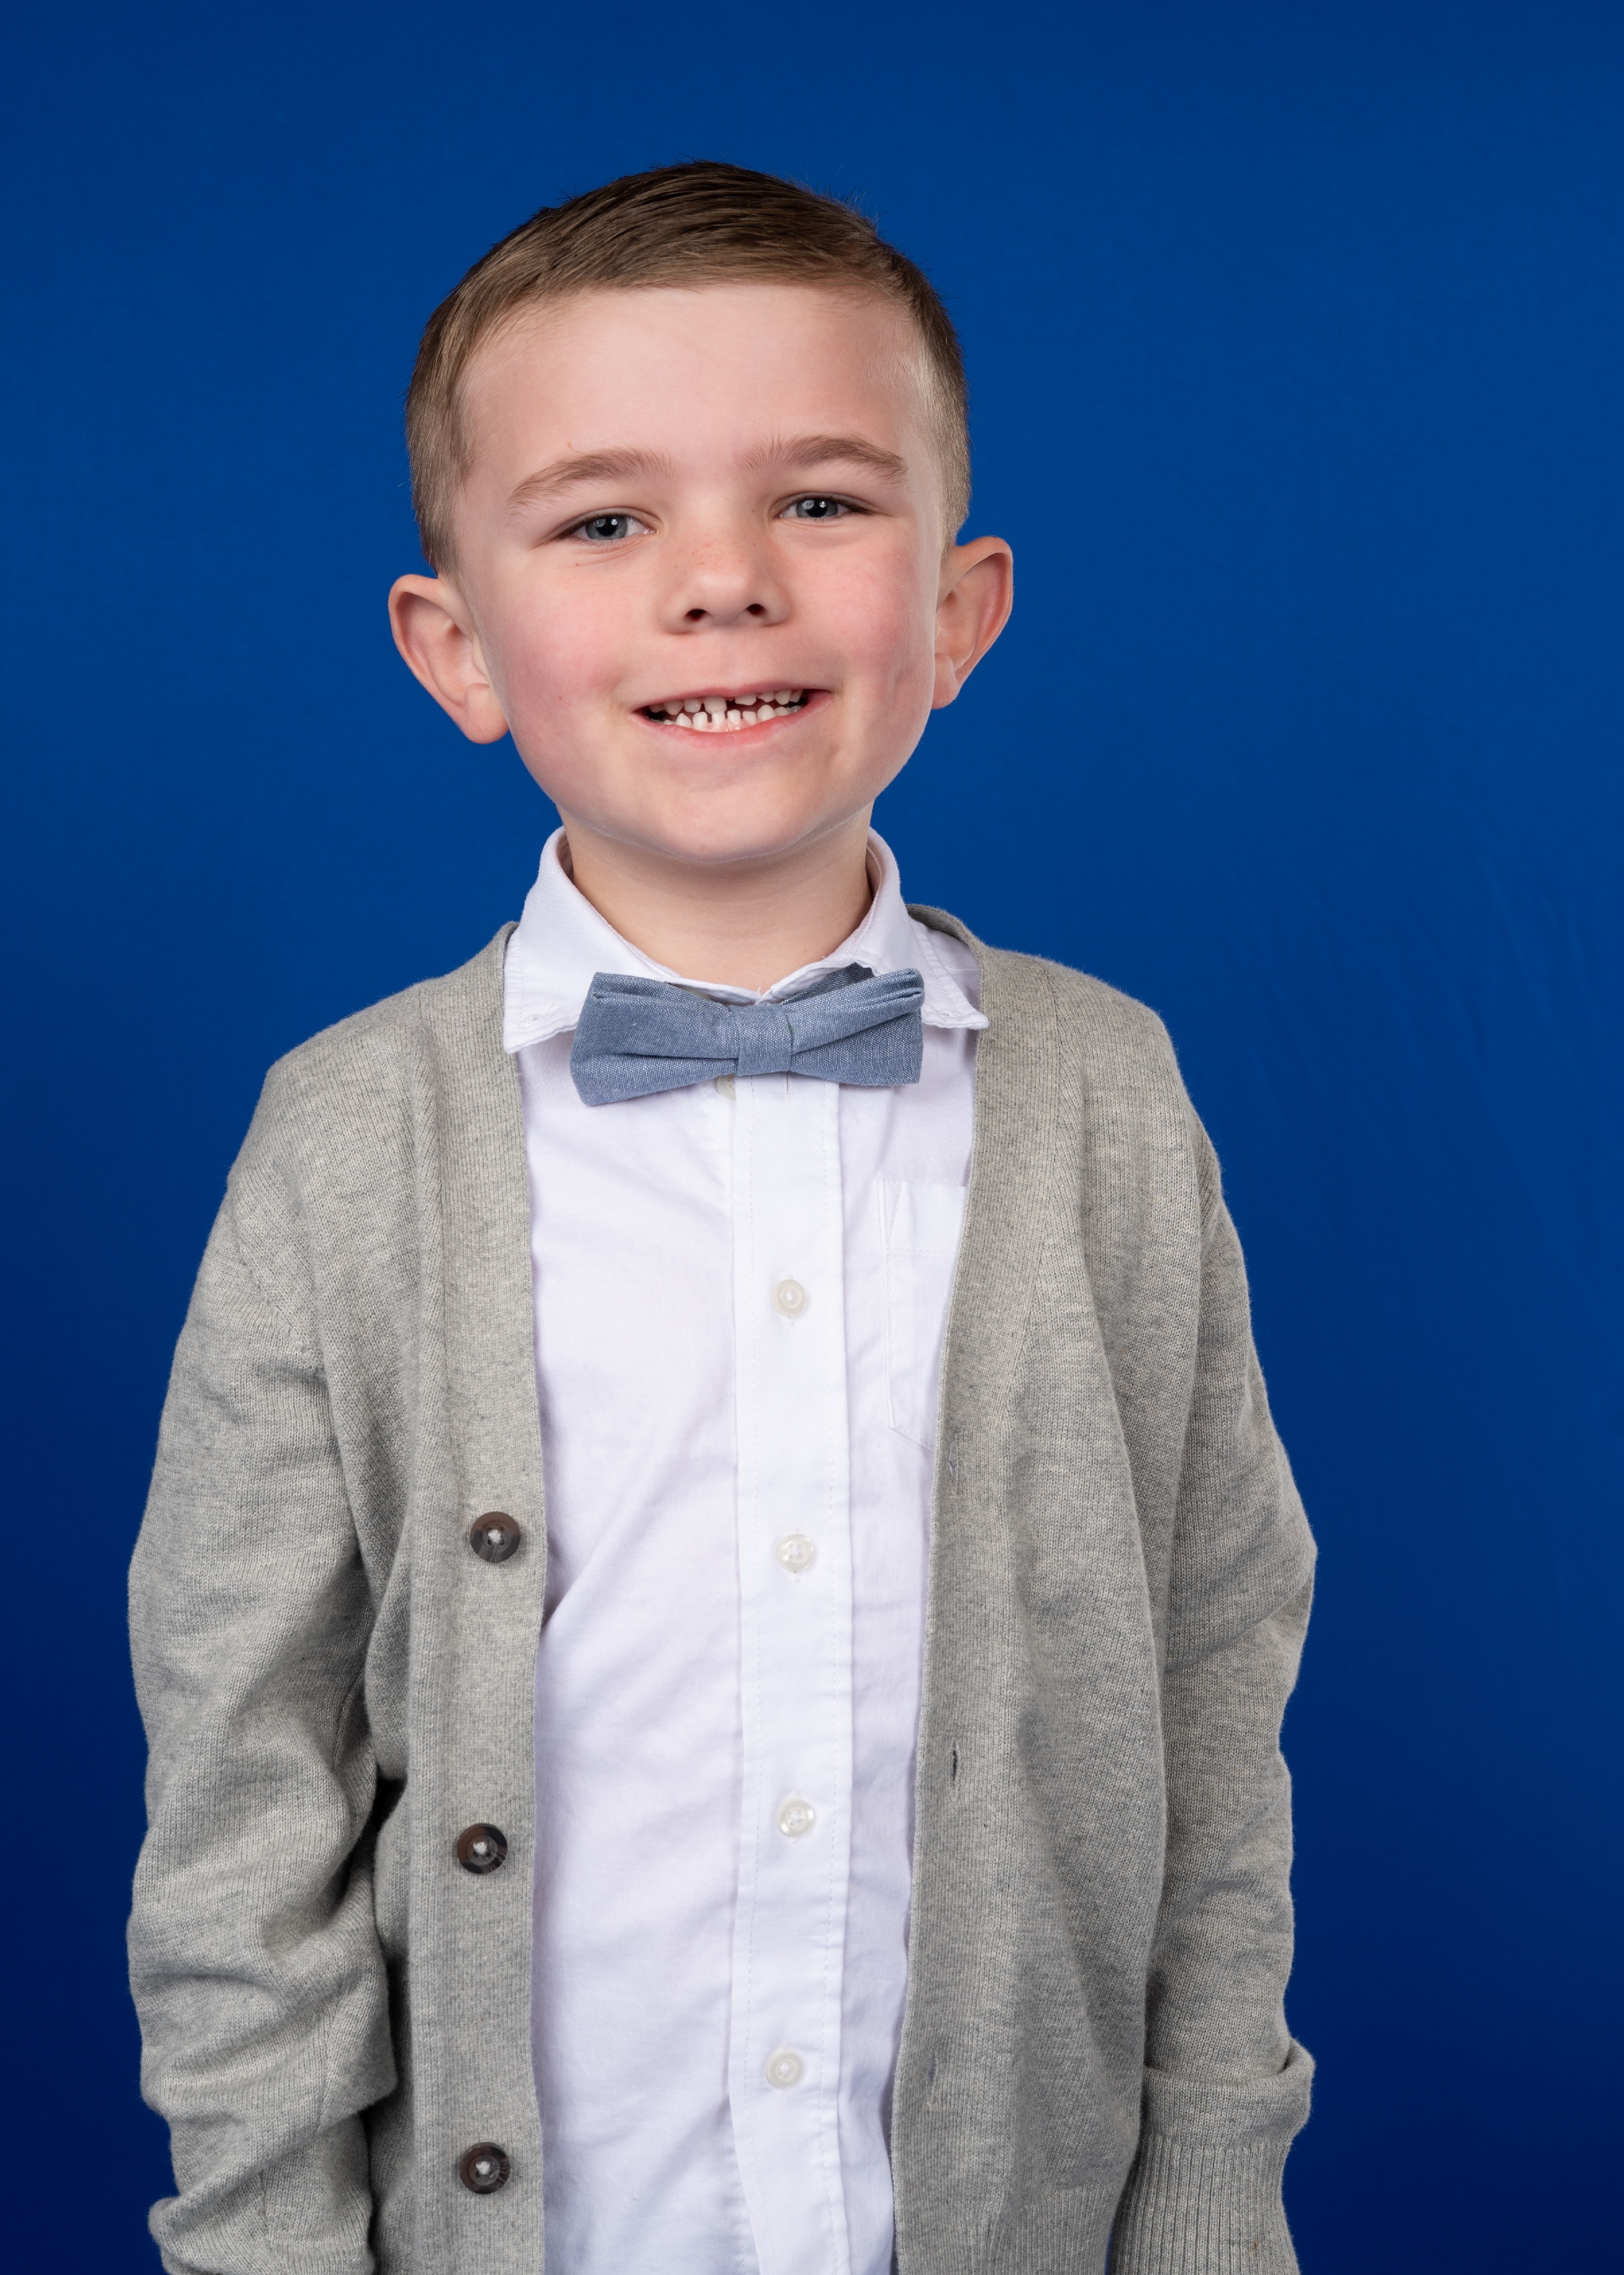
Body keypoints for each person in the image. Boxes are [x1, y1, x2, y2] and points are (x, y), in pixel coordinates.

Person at [129, 161, 1315, 2275]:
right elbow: (246, 1789)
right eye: (604, 521)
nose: (723, 584)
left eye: (821, 501)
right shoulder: (342, 1140)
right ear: (457, 647)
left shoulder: (1111, 1099)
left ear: (956, 611)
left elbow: (1215, 1709)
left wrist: (1216, 2215)